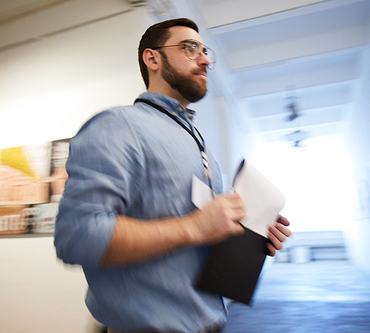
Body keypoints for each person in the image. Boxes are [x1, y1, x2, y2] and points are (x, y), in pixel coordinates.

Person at [54, 18, 291, 333]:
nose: (205, 59)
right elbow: (77, 236)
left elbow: (206, 237)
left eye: (205, 51)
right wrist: (194, 226)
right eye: (190, 48)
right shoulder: (118, 125)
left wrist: (251, 235)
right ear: (152, 58)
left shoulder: (199, 145)